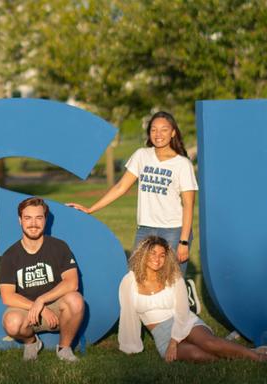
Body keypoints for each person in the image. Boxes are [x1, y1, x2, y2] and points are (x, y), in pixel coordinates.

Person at [66, 111, 200, 310]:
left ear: (173, 133)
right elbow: (121, 187)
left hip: (173, 229)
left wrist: (183, 241)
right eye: (153, 129)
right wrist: (91, 209)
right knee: (137, 278)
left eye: (164, 130)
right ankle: (149, 321)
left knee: (171, 282)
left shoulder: (182, 164)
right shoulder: (141, 155)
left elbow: (188, 204)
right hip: (145, 228)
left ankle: (181, 314)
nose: (158, 134)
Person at [118, 236, 267, 362]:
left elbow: (183, 311)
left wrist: (174, 342)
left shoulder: (173, 277)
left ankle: (261, 359)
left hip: (183, 321)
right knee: (197, 354)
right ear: (143, 254)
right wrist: (130, 346)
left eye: (162, 255)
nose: (157, 259)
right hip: (161, 333)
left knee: (209, 344)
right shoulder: (130, 281)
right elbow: (127, 315)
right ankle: (245, 352)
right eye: (153, 253)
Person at [0, 197, 85, 362]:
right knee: (12, 322)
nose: (33, 223)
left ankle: (64, 349)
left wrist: (42, 300)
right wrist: (38, 306)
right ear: (20, 220)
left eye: (39, 218)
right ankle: (32, 343)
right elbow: (7, 296)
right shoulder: (10, 255)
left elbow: (72, 283)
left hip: (57, 309)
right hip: (28, 311)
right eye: (27, 218)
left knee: (76, 300)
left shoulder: (59, 247)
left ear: (45, 219)